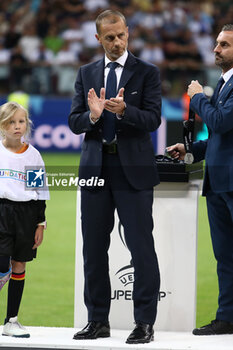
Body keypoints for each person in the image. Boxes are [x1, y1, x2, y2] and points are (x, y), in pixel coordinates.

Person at [68, 9, 161, 344]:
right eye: (109, 37)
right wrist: (92, 117)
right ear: (98, 39)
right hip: (96, 170)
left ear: (128, 33)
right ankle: (97, 321)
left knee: (141, 248)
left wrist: (125, 112)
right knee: (93, 250)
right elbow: (73, 121)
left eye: (121, 35)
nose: (117, 42)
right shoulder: (86, 72)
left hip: (133, 173)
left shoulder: (147, 72)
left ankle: (145, 323)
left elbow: (153, 120)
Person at [167, 24, 233, 336]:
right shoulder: (222, 83)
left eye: (224, 45)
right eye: (218, 43)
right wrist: (191, 148)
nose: (216, 49)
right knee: (225, 256)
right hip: (219, 181)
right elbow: (221, 138)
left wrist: (196, 99)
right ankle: (227, 317)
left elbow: (220, 122)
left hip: (230, 182)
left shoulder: (220, 87)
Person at [0, 101, 49, 338]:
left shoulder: (33, 155)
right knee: (2, 263)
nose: (17, 126)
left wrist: (40, 223)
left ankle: (11, 320)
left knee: (19, 264)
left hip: (26, 216)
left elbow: (39, 193)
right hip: (1, 212)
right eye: (11, 122)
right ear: (2, 125)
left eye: (21, 122)